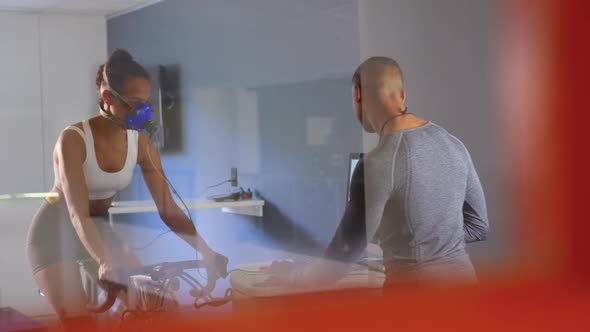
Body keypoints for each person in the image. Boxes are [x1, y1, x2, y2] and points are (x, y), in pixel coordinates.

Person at [25, 49, 228, 328]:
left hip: (99, 228)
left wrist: (208, 252)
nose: (142, 112)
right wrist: (104, 260)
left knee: (149, 308)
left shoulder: (141, 145)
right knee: (80, 323)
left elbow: (168, 209)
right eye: (134, 103)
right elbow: (77, 214)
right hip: (54, 232)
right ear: (108, 98)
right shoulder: (72, 140)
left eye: (146, 103)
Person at [271, 56, 489, 288]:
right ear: (402, 96)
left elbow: (343, 258)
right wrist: (417, 241)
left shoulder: (379, 162)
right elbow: (479, 227)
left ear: (358, 94)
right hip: (466, 294)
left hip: (418, 302)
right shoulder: (454, 144)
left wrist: (292, 276)